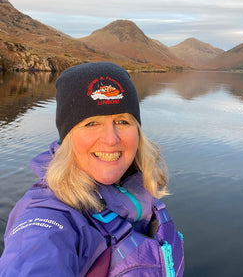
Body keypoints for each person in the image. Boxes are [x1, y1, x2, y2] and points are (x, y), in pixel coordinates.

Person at [0, 62, 184, 276]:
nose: (111, 139)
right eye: (91, 124)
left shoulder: (138, 192)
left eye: (122, 121)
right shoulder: (46, 216)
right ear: (67, 138)